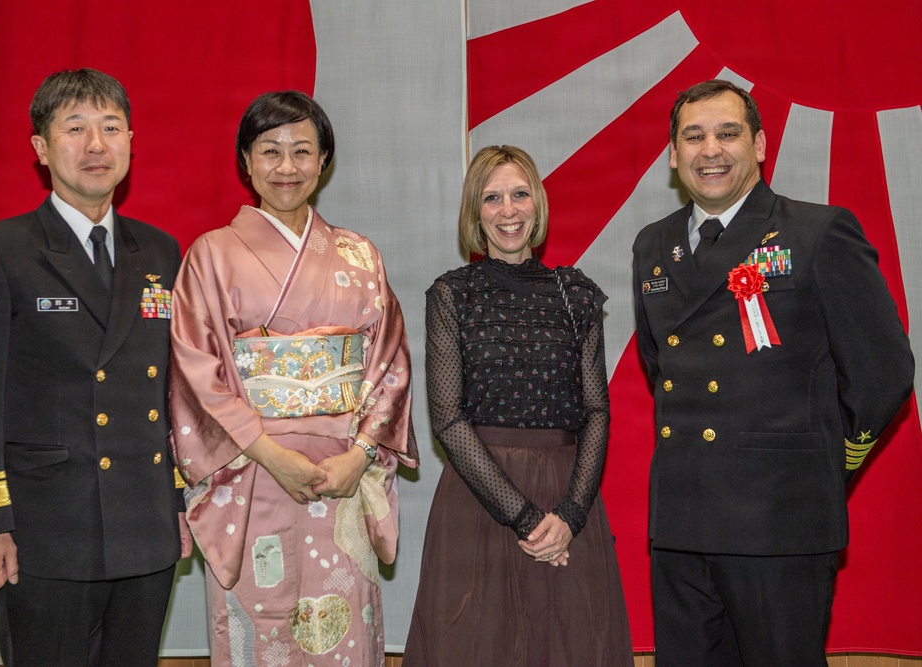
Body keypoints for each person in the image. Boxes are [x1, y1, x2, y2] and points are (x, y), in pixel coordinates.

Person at [632, 79, 915, 666]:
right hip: (681, 521)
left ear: (759, 144)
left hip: (779, 520)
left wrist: (819, 462)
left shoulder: (816, 233)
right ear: (673, 155)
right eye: (693, 137)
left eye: (728, 133)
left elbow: (883, 372)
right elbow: (660, 364)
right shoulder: (653, 245)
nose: (711, 149)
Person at [0, 68, 190, 666]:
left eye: (111, 128)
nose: (96, 145)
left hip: (144, 522)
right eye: (75, 128)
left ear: (131, 141)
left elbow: (172, 393)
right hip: (46, 530)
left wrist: (178, 504)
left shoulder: (159, 250)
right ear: (41, 147)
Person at [169, 90, 417, 667]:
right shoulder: (211, 255)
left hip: (342, 477)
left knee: (344, 629)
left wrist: (361, 455)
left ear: (324, 160)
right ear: (246, 160)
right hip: (252, 473)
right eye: (270, 151)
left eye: (303, 151)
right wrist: (270, 454)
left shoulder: (359, 255)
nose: (287, 166)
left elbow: (390, 363)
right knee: (262, 629)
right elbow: (196, 370)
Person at [402, 145, 633, 666]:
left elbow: (597, 411)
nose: (508, 210)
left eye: (520, 194)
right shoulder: (452, 294)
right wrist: (526, 518)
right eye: (492, 198)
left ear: (538, 204)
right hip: (478, 504)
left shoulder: (576, 293)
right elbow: (447, 418)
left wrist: (569, 516)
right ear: (474, 211)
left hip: (569, 505)